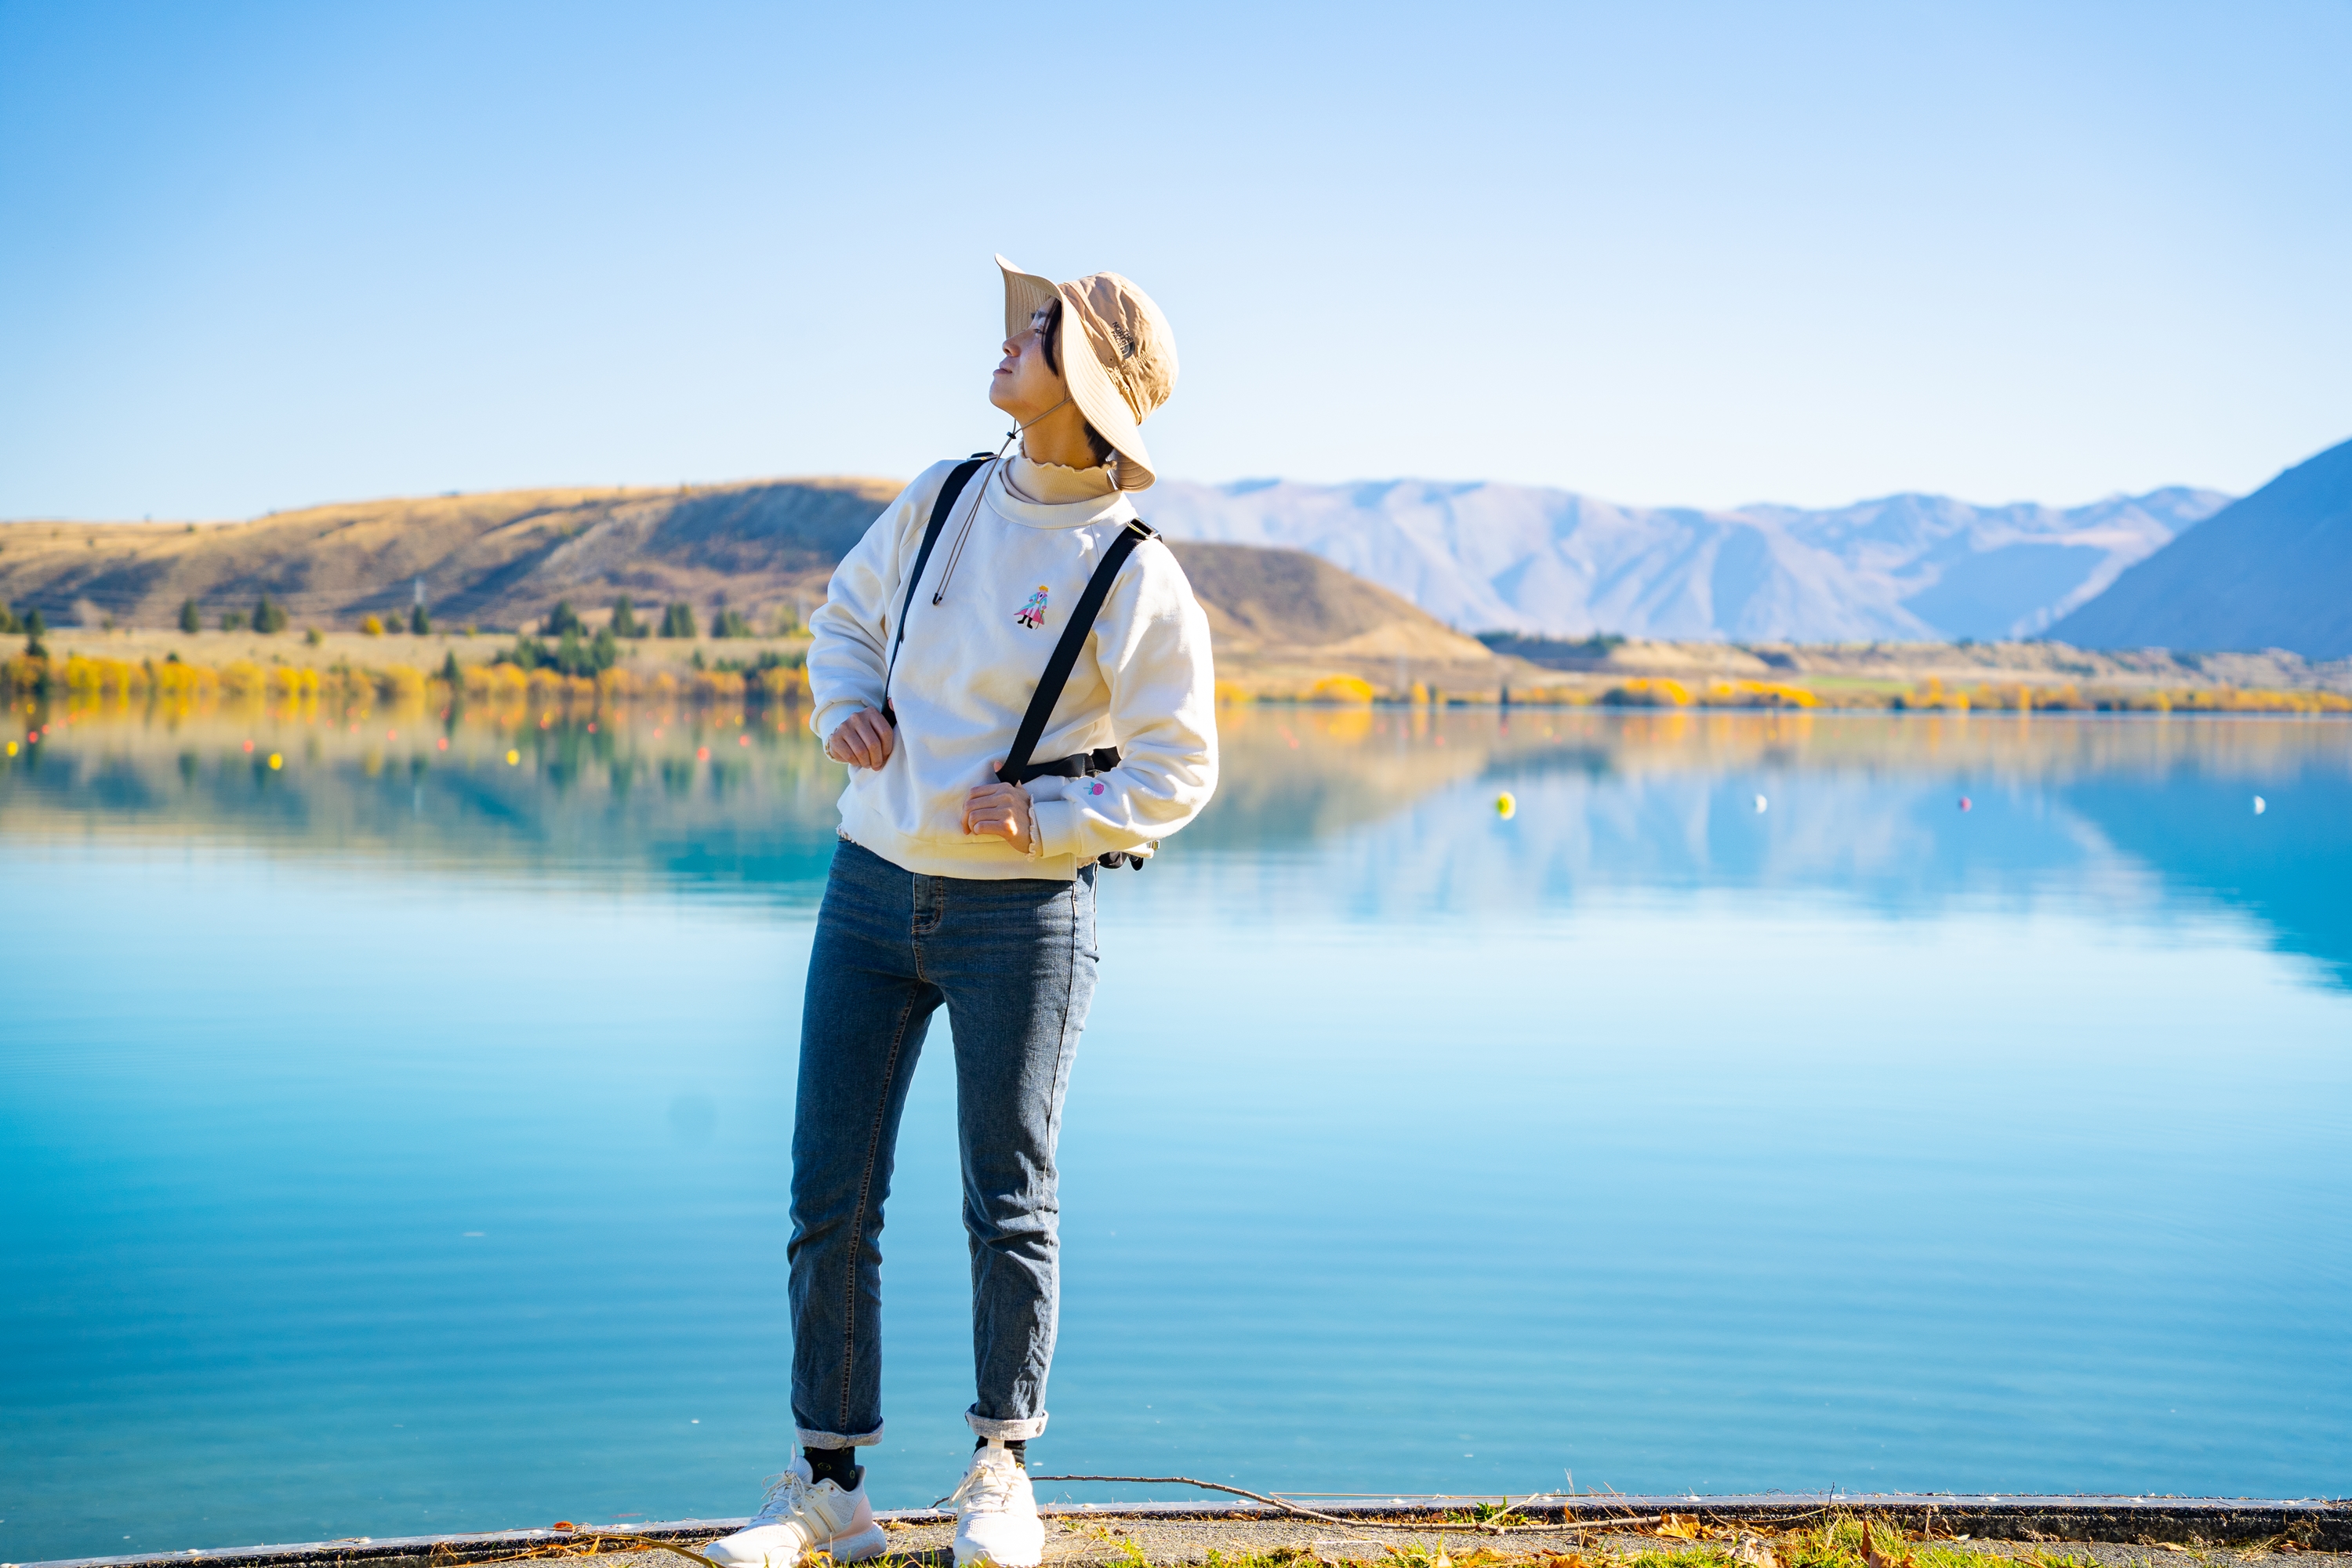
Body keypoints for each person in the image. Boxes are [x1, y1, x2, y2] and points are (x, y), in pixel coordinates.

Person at [703, 256, 1218, 1568]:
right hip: (867, 892)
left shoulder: (1132, 569)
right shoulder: (940, 499)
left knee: (1011, 1200)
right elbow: (842, 621)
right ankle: (829, 1491)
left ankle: (1002, 1476)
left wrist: (1046, 821)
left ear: (1086, 385)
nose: (1008, 343)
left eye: (1039, 334)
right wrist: (844, 708)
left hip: (1025, 920)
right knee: (831, 1193)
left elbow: (1181, 767)